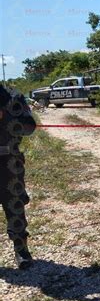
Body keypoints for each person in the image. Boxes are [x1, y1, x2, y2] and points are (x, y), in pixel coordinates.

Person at [0, 84, 37, 269]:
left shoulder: (13, 97)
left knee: (14, 205)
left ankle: (21, 249)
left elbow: (30, 126)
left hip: (9, 162)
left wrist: (6, 119)